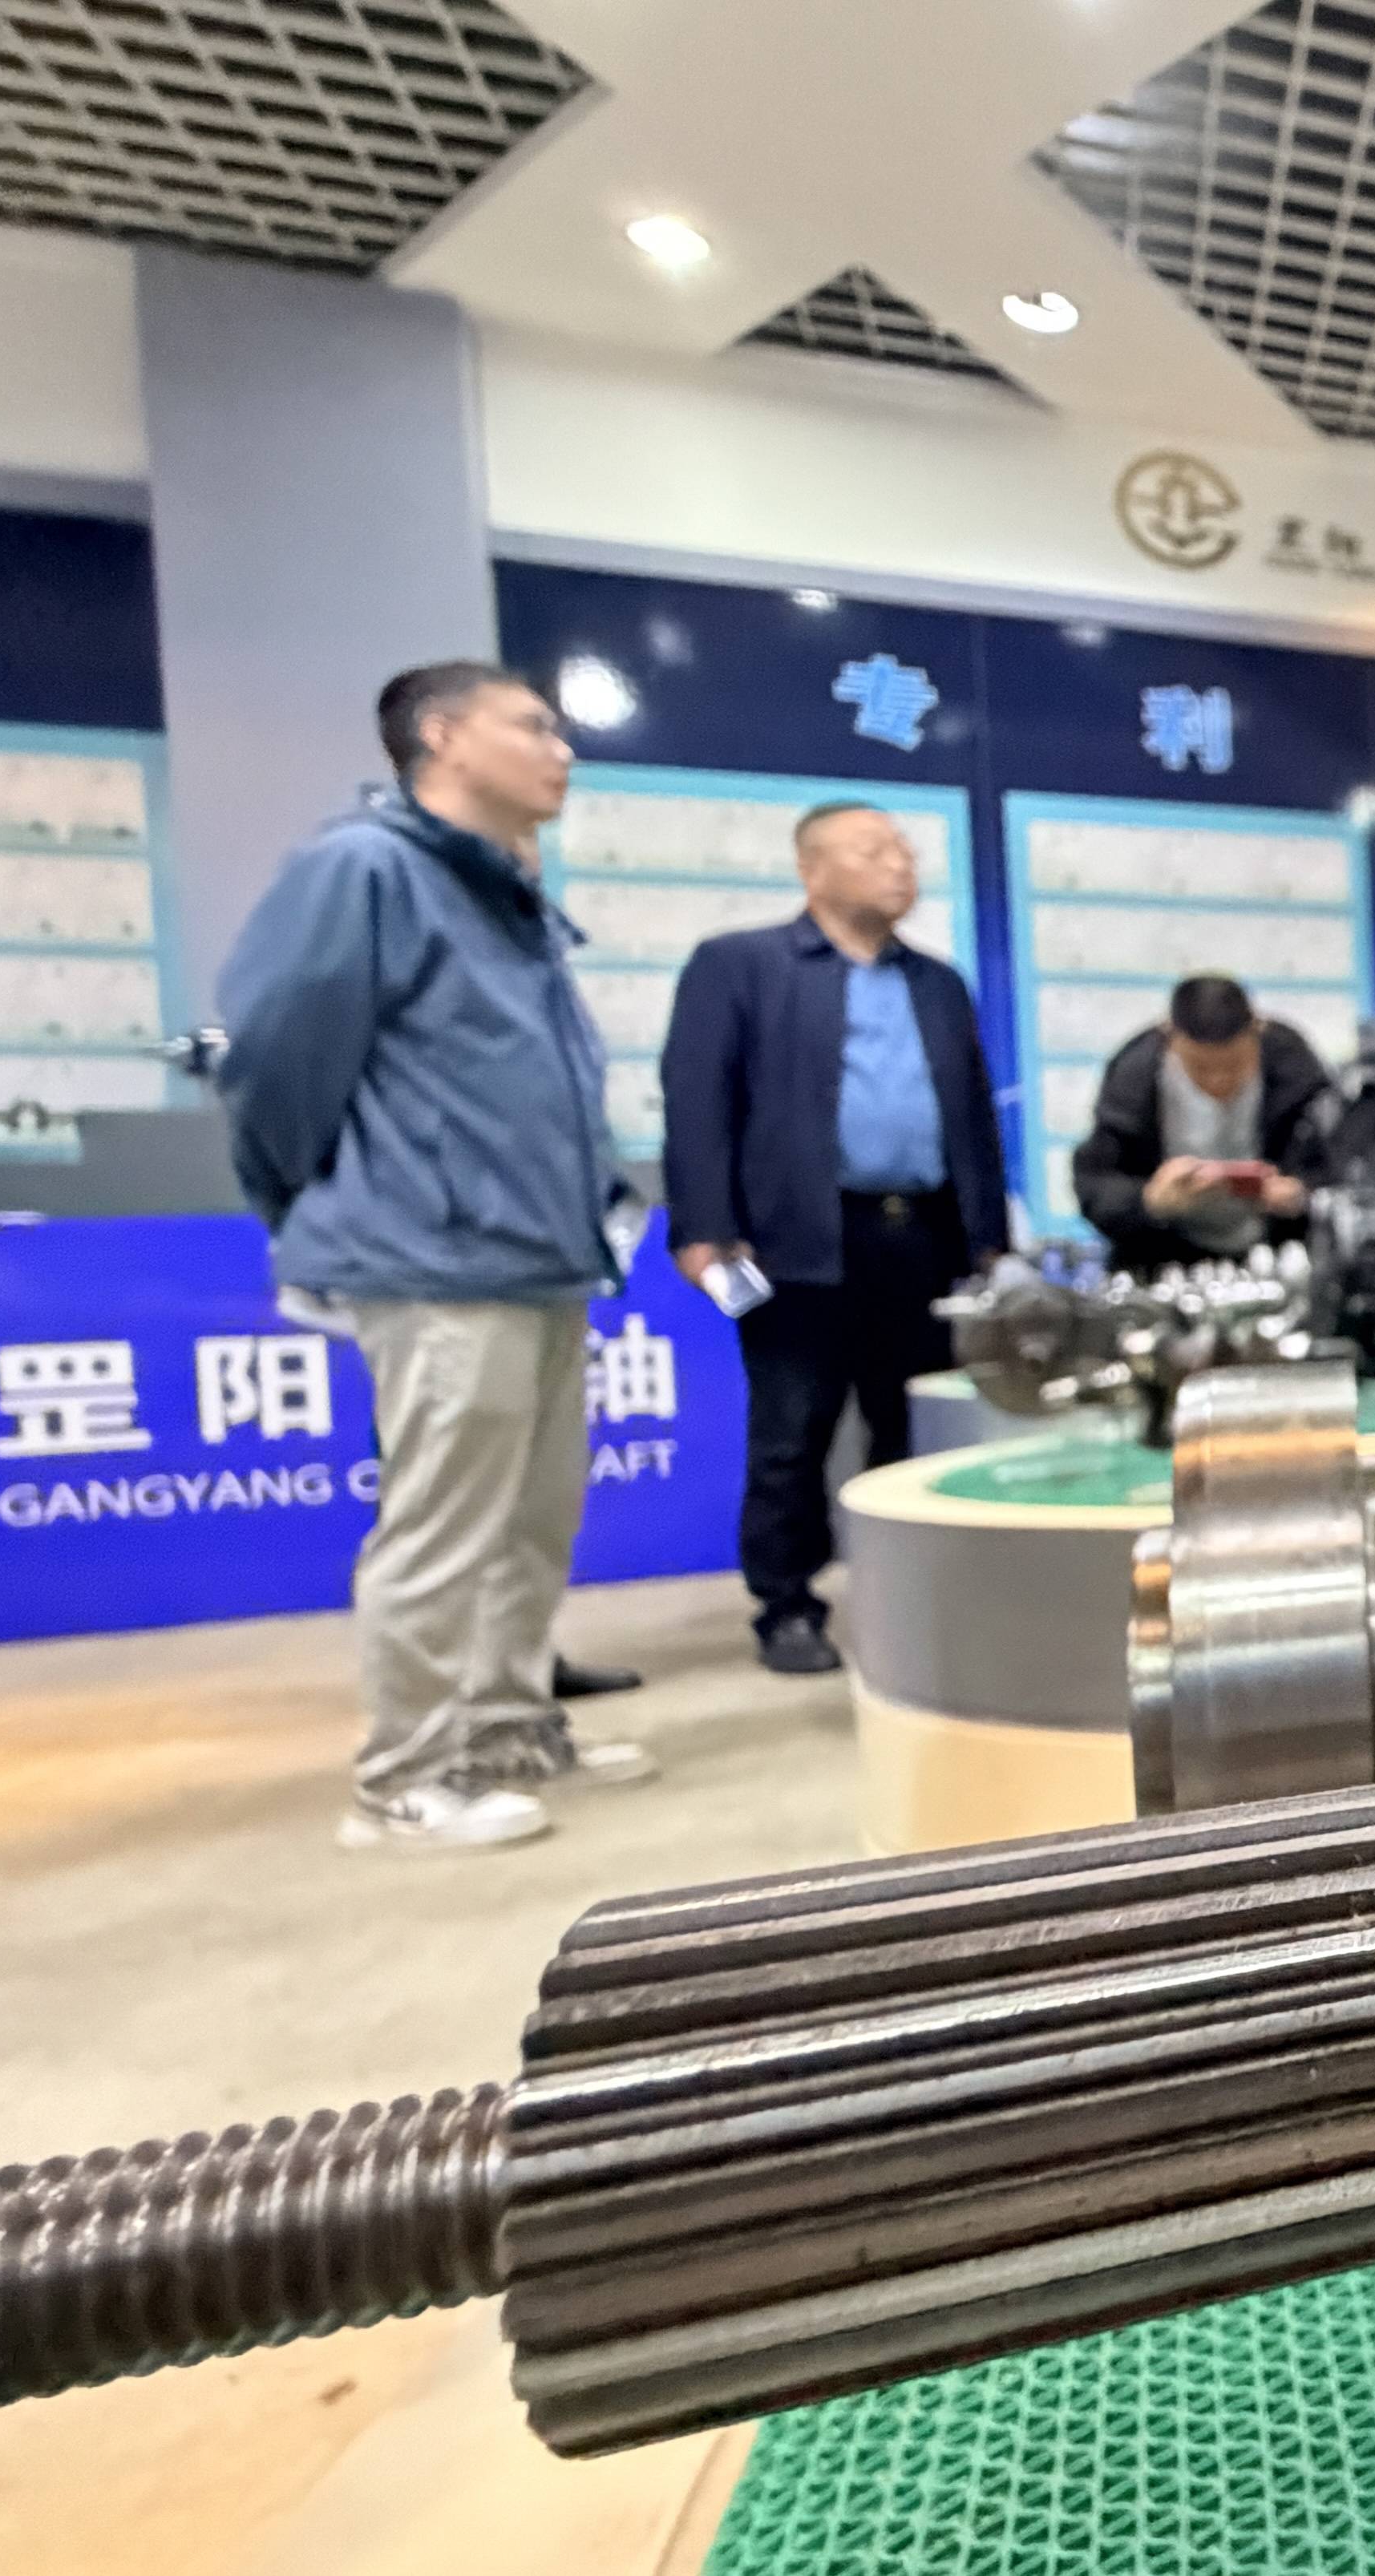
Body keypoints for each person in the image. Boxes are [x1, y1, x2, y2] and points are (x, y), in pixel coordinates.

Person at [215, 661, 647, 1853]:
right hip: (435, 1253)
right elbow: (274, 1058)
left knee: (533, 1519)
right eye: (534, 727)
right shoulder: (365, 867)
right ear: (444, 736)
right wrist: (321, 1197)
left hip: (538, 1252)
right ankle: (402, 1778)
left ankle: (507, 1728)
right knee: (444, 1525)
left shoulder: (501, 884)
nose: (561, 749)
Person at [662, 801, 1012, 1676]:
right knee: (792, 1431)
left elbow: (973, 1116)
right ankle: (786, 1605)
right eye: (873, 850)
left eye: (904, 851)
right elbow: (698, 1102)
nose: (900, 864)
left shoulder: (938, 984)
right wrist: (705, 1228)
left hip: (924, 1240)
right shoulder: (740, 965)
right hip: (795, 1243)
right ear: (812, 870)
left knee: (916, 1424)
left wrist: (988, 1240)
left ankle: (914, 1595)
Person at [1071, 973, 1333, 1275]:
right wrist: (1148, 1201)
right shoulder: (1133, 1077)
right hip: (1162, 1257)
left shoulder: (1297, 1070)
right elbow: (1094, 1186)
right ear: (1170, 1038)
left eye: (1235, 1066)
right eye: (1200, 1069)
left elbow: (1344, 1166)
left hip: (1282, 1253)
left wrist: (1303, 1194)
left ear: (1258, 1032)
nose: (1218, 1081)